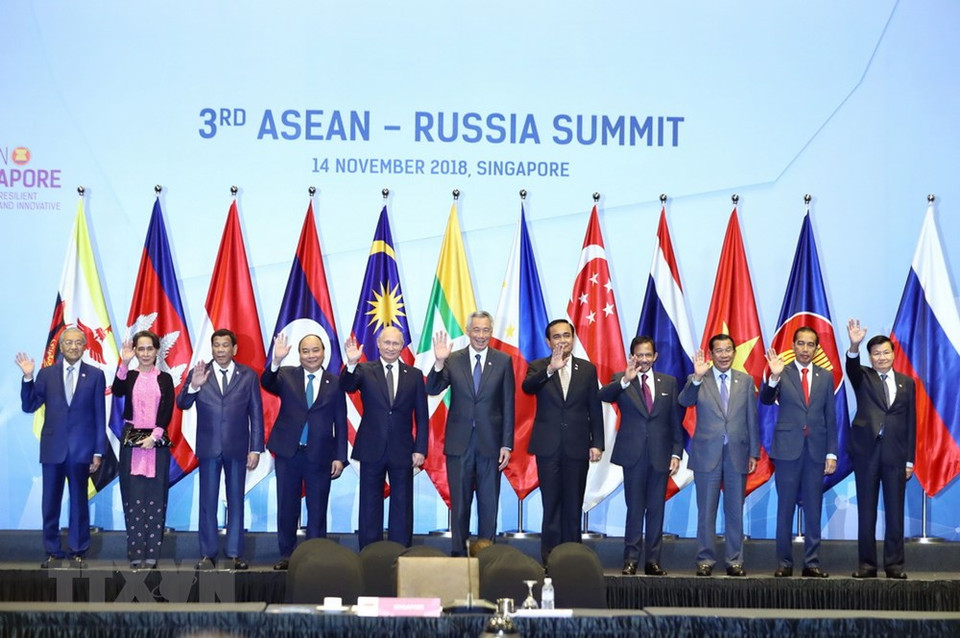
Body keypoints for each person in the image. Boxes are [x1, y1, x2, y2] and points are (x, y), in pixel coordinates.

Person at [426, 310, 515, 556]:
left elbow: (508, 404)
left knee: (489, 505)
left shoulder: (503, 361)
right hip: (459, 443)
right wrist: (439, 362)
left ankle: (487, 558)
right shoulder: (453, 359)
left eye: (486, 330)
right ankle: (458, 556)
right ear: (468, 331)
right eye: (476, 330)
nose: (481, 335)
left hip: (490, 444)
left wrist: (507, 444)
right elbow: (432, 388)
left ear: (491, 331)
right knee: (460, 505)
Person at [17, 327, 106, 568]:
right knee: (50, 502)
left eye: (78, 342)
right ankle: (53, 550)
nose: (74, 346)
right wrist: (28, 377)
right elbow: (29, 405)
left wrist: (98, 451)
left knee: (79, 502)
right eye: (69, 342)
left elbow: (100, 414)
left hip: (82, 450)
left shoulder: (96, 375)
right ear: (61, 346)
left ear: (85, 346)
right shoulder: (46, 375)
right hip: (53, 449)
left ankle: (78, 549)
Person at [177, 328, 264, 571]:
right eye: (217, 345)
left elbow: (256, 414)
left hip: (237, 448)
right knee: (208, 501)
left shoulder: (247, 376)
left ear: (234, 349)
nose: (221, 350)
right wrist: (193, 386)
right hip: (209, 447)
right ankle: (208, 554)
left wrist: (255, 448)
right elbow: (182, 403)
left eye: (226, 345)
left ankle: (235, 553)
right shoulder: (200, 373)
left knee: (236, 500)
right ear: (212, 348)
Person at [261, 333, 347, 570]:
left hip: (320, 454)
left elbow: (340, 421)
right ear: (299, 354)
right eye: (305, 351)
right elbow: (267, 382)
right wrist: (276, 361)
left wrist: (340, 456)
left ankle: (315, 556)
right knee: (287, 506)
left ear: (324, 352)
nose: (311, 355)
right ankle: (287, 555)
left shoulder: (335, 381)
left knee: (317, 507)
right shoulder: (287, 375)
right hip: (288, 453)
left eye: (315, 350)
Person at [521, 319, 604, 564]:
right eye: (556, 337)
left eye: (566, 335)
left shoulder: (587, 369)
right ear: (548, 342)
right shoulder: (538, 366)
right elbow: (527, 387)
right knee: (552, 503)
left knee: (573, 502)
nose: (562, 340)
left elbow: (594, 407)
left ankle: (572, 558)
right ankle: (549, 559)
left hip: (578, 446)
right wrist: (550, 369)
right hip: (548, 447)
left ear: (573, 338)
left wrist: (596, 442)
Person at [598, 335, 682, 576]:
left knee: (656, 509)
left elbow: (674, 421)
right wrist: (626, 379)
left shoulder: (668, 382)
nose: (644, 360)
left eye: (648, 355)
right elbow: (603, 396)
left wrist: (676, 452)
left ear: (655, 357)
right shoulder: (621, 379)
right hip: (633, 454)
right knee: (635, 508)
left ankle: (652, 561)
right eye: (639, 355)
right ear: (632, 356)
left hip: (660, 454)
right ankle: (631, 560)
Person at [678, 334, 759, 577]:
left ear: (734, 353)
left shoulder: (745, 381)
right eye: (718, 351)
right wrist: (697, 378)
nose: (723, 355)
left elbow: (751, 419)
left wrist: (753, 451)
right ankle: (705, 559)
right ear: (711, 354)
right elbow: (684, 401)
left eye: (728, 350)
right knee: (706, 511)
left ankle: (735, 560)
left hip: (737, 453)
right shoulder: (699, 379)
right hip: (706, 454)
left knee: (735, 509)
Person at [340, 326, 428, 549]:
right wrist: (350, 364)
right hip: (372, 447)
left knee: (402, 504)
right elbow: (347, 386)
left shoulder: (414, 375)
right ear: (378, 345)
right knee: (370, 504)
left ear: (402, 347)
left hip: (403, 449)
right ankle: (370, 553)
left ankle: (400, 551)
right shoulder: (363, 370)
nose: (391, 347)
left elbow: (422, 416)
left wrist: (420, 449)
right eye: (386, 343)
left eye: (395, 343)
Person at [761, 327, 837, 578]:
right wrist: (773, 378)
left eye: (810, 345)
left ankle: (811, 563)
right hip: (787, 451)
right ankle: (784, 563)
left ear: (817, 348)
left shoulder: (826, 376)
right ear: (793, 346)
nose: (805, 349)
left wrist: (832, 453)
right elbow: (765, 399)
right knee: (784, 509)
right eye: (801, 344)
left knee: (814, 508)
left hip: (815, 452)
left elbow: (830, 416)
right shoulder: (782, 371)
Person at [846, 319, 916, 579]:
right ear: (870, 357)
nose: (882, 357)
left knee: (895, 512)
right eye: (876, 353)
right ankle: (867, 565)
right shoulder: (863, 376)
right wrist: (854, 345)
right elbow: (851, 365)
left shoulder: (907, 383)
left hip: (896, 455)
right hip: (867, 454)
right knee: (867, 511)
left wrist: (910, 459)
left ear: (893, 354)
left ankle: (895, 565)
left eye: (886, 352)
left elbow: (911, 423)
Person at [112, 330, 175, 569]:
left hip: (157, 441)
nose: (146, 353)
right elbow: (117, 391)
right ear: (135, 350)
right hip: (132, 441)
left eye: (150, 348)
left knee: (156, 497)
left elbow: (167, 408)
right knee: (133, 497)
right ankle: (135, 552)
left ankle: (152, 554)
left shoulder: (165, 378)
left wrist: (155, 436)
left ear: (157, 351)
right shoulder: (128, 375)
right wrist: (124, 363)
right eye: (141, 348)